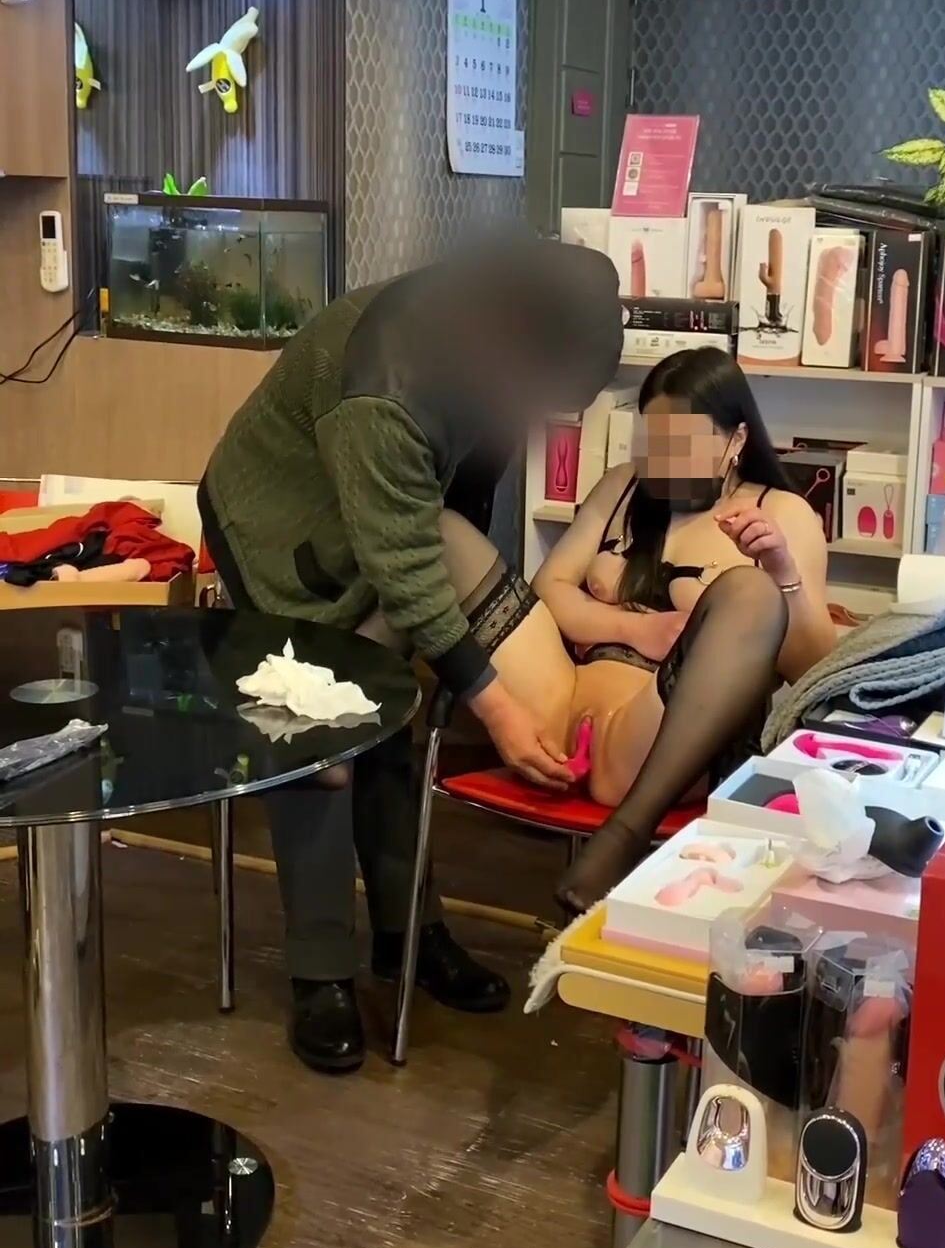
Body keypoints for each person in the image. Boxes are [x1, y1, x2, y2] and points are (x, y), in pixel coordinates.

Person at [198, 237, 622, 1073]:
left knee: (391, 729)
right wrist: (493, 702)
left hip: (379, 518)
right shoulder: (386, 387)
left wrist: (457, 658)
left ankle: (410, 938)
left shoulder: (498, 334)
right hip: (283, 529)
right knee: (318, 745)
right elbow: (408, 566)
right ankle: (321, 972)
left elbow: (461, 499)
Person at [453, 346, 837, 915]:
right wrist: (636, 628)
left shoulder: (782, 513)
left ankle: (624, 837)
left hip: (650, 742)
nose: (663, 458)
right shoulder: (622, 487)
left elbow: (813, 669)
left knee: (749, 592)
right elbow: (550, 588)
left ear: (735, 440)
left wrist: (782, 572)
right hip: (559, 703)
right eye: (654, 439)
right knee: (443, 531)